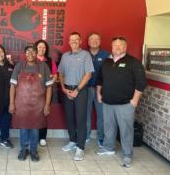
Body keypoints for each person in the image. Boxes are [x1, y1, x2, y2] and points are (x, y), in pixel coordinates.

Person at [96, 36, 146, 168]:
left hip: (125, 104)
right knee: (109, 127)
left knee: (126, 130)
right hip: (107, 102)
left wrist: (135, 100)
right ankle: (108, 147)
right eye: (115, 46)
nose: (117, 48)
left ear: (125, 46)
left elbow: (141, 83)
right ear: (111, 47)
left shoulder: (133, 63)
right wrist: (98, 94)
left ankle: (127, 155)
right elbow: (100, 80)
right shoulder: (106, 62)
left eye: (120, 45)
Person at [9, 45, 53, 162]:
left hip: (38, 104)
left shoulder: (43, 66)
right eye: (28, 51)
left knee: (35, 128)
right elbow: (13, 86)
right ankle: (24, 149)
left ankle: (33, 150)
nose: (30, 53)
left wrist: (47, 104)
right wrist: (12, 103)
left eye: (33, 51)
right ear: (25, 53)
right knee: (23, 128)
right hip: (22, 103)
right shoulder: (19, 66)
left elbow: (49, 87)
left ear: (36, 52)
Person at [58, 32, 94, 161]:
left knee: (80, 119)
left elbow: (88, 74)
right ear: (69, 42)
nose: (73, 42)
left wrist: (78, 89)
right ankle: (72, 141)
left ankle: (80, 148)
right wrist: (63, 88)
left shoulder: (85, 55)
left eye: (76, 40)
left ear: (80, 41)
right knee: (69, 118)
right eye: (71, 40)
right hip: (66, 89)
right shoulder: (65, 56)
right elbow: (60, 73)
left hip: (81, 90)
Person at [85, 33, 109, 147]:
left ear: (100, 41)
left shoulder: (107, 55)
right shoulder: (83, 54)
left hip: (101, 90)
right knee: (86, 114)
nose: (94, 41)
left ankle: (101, 138)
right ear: (88, 42)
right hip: (86, 89)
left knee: (102, 115)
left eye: (97, 39)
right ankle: (86, 136)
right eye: (92, 39)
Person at [34, 39, 58, 147]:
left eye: (43, 47)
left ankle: (42, 137)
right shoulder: (31, 59)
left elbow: (55, 75)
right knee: (32, 114)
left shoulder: (49, 60)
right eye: (39, 47)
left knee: (43, 113)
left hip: (46, 92)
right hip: (32, 92)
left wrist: (50, 82)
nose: (41, 49)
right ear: (36, 48)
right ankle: (33, 137)